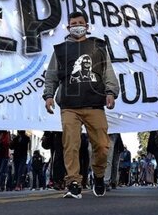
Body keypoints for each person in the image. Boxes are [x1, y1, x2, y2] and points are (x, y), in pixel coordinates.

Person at [43, 11, 120, 199]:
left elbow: (107, 71)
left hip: (94, 104)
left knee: (102, 146)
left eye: (80, 22)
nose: (77, 25)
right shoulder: (60, 51)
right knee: (71, 144)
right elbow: (51, 75)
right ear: (68, 27)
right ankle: (73, 182)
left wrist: (111, 92)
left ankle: (99, 176)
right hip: (69, 105)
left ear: (87, 26)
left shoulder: (98, 47)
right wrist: (48, 95)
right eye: (73, 23)